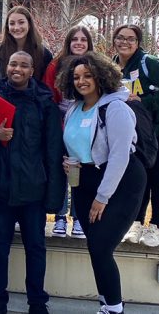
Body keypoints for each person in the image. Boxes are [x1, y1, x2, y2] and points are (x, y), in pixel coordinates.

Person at [57, 52, 147, 314]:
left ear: (101, 76)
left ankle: (115, 309)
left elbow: (119, 156)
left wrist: (102, 197)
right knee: (94, 246)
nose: (81, 81)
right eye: (76, 77)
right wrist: (70, 163)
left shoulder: (115, 107)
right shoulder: (74, 108)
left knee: (101, 246)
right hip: (84, 180)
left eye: (87, 75)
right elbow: (76, 143)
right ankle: (106, 303)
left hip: (121, 182)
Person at [0, 51, 64, 314]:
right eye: (13, 64)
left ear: (32, 69)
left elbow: (53, 151)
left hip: (34, 191)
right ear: (6, 66)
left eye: (24, 65)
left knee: (36, 249)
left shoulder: (45, 103)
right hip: (0, 190)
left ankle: (37, 303)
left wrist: (54, 195)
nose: (18, 69)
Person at [113, 24, 159, 248]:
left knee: (158, 176)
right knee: (141, 176)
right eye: (120, 38)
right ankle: (136, 223)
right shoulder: (113, 67)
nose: (125, 42)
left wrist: (144, 102)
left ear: (138, 42)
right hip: (141, 132)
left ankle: (155, 227)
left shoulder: (150, 63)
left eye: (131, 39)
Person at [42, 25, 95, 239]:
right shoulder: (56, 65)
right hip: (61, 126)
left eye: (83, 39)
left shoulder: (95, 65)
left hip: (86, 127)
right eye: (75, 39)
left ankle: (79, 216)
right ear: (68, 42)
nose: (79, 43)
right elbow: (48, 96)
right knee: (60, 171)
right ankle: (61, 216)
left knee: (82, 172)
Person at [0, 6, 52, 97]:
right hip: (3, 105)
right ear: (7, 27)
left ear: (29, 25)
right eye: (12, 23)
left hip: (32, 106)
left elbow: (47, 86)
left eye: (21, 22)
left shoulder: (43, 53)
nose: (16, 27)